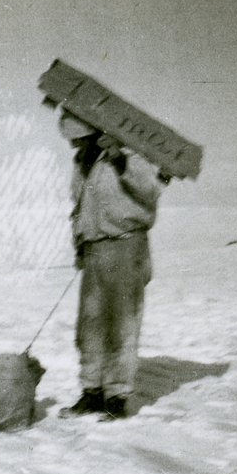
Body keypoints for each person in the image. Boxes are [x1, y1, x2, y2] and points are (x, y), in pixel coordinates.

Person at [57, 113, 170, 419]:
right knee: (89, 326)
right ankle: (92, 391)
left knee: (122, 324)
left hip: (126, 247)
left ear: (95, 134)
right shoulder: (83, 163)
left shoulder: (131, 156)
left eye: (81, 139)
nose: (77, 146)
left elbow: (150, 192)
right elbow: (79, 208)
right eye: (73, 141)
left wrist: (121, 161)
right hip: (94, 250)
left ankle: (117, 397)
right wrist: (80, 243)